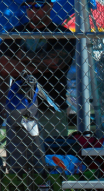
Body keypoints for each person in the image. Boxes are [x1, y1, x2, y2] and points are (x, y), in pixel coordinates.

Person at [0, 0, 76, 138]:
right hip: (19, 105)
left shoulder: (62, 34)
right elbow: (4, 65)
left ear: (51, 6)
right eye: (28, 6)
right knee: (20, 155)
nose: (32, 10)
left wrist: (20, 56)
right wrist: (41, 64)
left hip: (51, 106)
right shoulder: (14, 33)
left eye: (38, 5)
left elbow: (56, 62)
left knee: (52, 154)